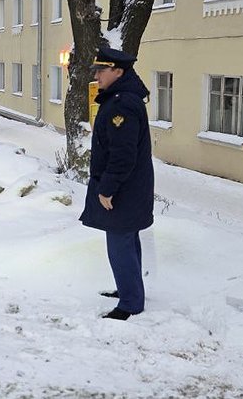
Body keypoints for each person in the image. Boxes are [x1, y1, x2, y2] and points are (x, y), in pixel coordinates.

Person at [79, 47, 154, 321]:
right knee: (127, 241)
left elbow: (123, 154)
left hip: (124, 190)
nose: (96, 75)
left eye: (102, 70)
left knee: (120, 244)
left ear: (118, 71)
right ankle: (129, 290)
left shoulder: (121, 104)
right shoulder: (122, 99)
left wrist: (108, 188)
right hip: (131, 188)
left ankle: (130, 303)